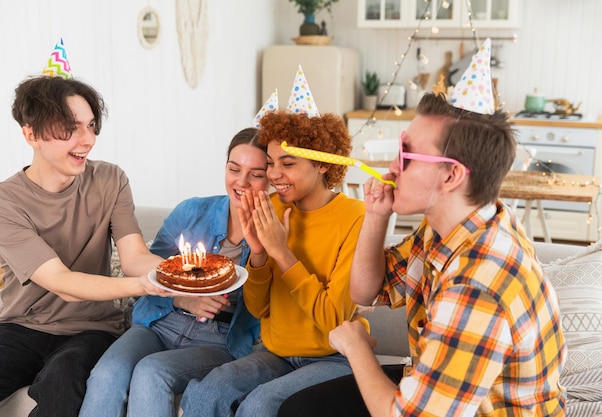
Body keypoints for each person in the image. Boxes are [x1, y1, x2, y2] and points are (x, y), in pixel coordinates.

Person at [277, 88, 567, 416]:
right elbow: (365, 290)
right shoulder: (448, 227)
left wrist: (357, 348)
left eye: (407, 154)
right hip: (432, 383)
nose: (392, 166)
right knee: (300, 408)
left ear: (451, 175)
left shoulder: (477, 286)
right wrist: (376, 215)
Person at [0, 74, 170, 417]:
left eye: (91, 126)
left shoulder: (111, 180)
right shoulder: (1, 204)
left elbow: (135, 257)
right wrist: (143, 287)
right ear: (30, 134)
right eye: (70, 127)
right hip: (20, 326)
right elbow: (62, 283)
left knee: (63, 381)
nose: (88, 139)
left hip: (92, 328)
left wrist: (184, 273)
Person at [180, 108, 368, 417]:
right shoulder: (271, 207)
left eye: (288, 163)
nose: (274, 174)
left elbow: (334, 320)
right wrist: (258, 253)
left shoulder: (354, 217)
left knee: (260, 405)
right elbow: (258, 308)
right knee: (209, 390)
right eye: (270, 163)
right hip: (275, 353)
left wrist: (282, 253)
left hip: (336, 357)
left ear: (322, 163)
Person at [78, 127, 270, 417]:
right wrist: (182, 297)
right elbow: (152, 267)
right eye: (234, 168)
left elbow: (268, 302)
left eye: (256, 174)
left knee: (152, 372)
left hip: (219, 338)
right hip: (161, 320)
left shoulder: (279, 231)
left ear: (272, 176)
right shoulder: (192, 212)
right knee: (107, 372)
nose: (241, 182)